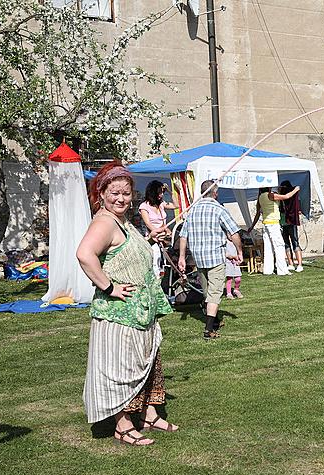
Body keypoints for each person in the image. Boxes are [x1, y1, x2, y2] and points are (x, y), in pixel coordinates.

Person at [76, 161, 177, 447]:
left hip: (140, 311)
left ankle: (149, 414)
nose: (121, 198)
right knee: (120, 370)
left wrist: (150, 239)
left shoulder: (121, 221)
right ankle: (121, 425)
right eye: (114, 193)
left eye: (126, 193)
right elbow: (85, 254)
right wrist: (108, 286)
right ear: (102, 193)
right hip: (118, 314)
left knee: (145, 364)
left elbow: (123, 253)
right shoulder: (104, 221)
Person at [178, 180, 243, 338]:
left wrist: (181, 257)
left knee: (207, 292)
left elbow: (183, 235)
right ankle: (208, 330)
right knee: (214, 293)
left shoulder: (192, 211)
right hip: (215, 258)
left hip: (199, 258)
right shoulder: (218, 209)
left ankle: (213, 320)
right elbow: (234, 232)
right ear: (215, 193)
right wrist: (240, 250)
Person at [247, 184, 300, 276]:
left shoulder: (260, 198)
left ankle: (267, 270)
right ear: (268, 188)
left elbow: (257, 214)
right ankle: (282, 270)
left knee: (268, 248)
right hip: (273, 224)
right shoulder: (270, 195)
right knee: (279, 246)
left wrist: (252, 226)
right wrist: (296, 189)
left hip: (266, 224)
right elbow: (286, 196)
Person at [138, 180, 179, 277]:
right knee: (156, 260)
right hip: (153, 238)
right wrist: (160, 232)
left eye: (162, 192)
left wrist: (170, 191)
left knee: (165, 262)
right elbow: (148, 224)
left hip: (163, 238)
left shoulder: (161, 204)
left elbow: (176, 206)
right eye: (160, 192)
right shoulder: (144, 206)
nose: (161, 195)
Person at [279, 180, 304, 272]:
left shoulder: (291, 197)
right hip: (283, 223)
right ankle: (291, 263)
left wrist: (296, 190)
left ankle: (299, 264)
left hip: (290, 222)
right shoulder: (281, 198)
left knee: (295, 242)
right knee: (286, 244)